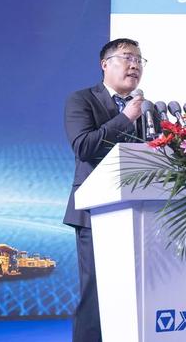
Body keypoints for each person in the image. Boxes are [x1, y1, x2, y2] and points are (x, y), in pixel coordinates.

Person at [63, 38, 146, 342]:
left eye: (139, 60)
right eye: (127, 58)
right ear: (105, 64)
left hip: (140, 213)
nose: (134, 65)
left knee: (137, 293)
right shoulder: (82, 100)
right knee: (97, 293)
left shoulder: (147, 108)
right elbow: (84, 146)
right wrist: (125, 118)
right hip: (96, 212)